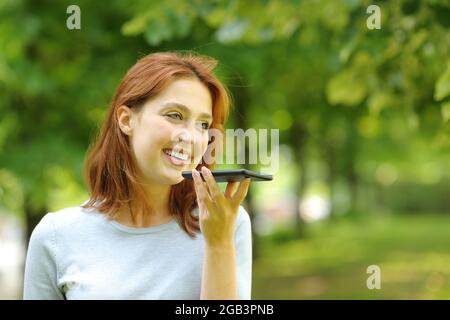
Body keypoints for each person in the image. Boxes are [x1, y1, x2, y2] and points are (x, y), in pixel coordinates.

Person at [23, 52, 253, 300]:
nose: (192, 137)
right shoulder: (56, 236)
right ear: (126, 120)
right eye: (175, 115)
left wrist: (218, 244)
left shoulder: (225, 222)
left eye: (203, 125)